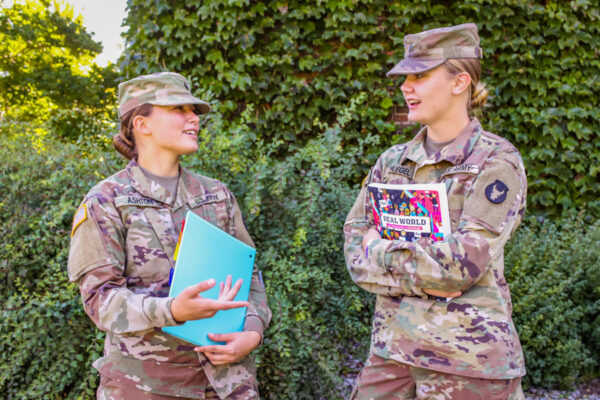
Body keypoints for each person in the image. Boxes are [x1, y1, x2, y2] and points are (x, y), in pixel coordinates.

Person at [344, 24, 527, 399]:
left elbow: (464, 265)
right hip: (390, 356)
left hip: (469, 363)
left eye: (420, 76)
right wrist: (427, 263)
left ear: (460, 82)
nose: (405, 87)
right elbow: (352, 250)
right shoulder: (393, 162)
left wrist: (380, 252)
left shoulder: (497, 161)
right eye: (405, 77)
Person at [68, 72, 271, 400]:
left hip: (229, 384)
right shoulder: (106, 201)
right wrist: (172, 311)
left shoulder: (216, 195)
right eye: (178, 109)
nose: (194, 118)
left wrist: (253, 331)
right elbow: (100, 301)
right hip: (147, 387)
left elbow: (250, 278)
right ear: (141, 124)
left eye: (195, 111)